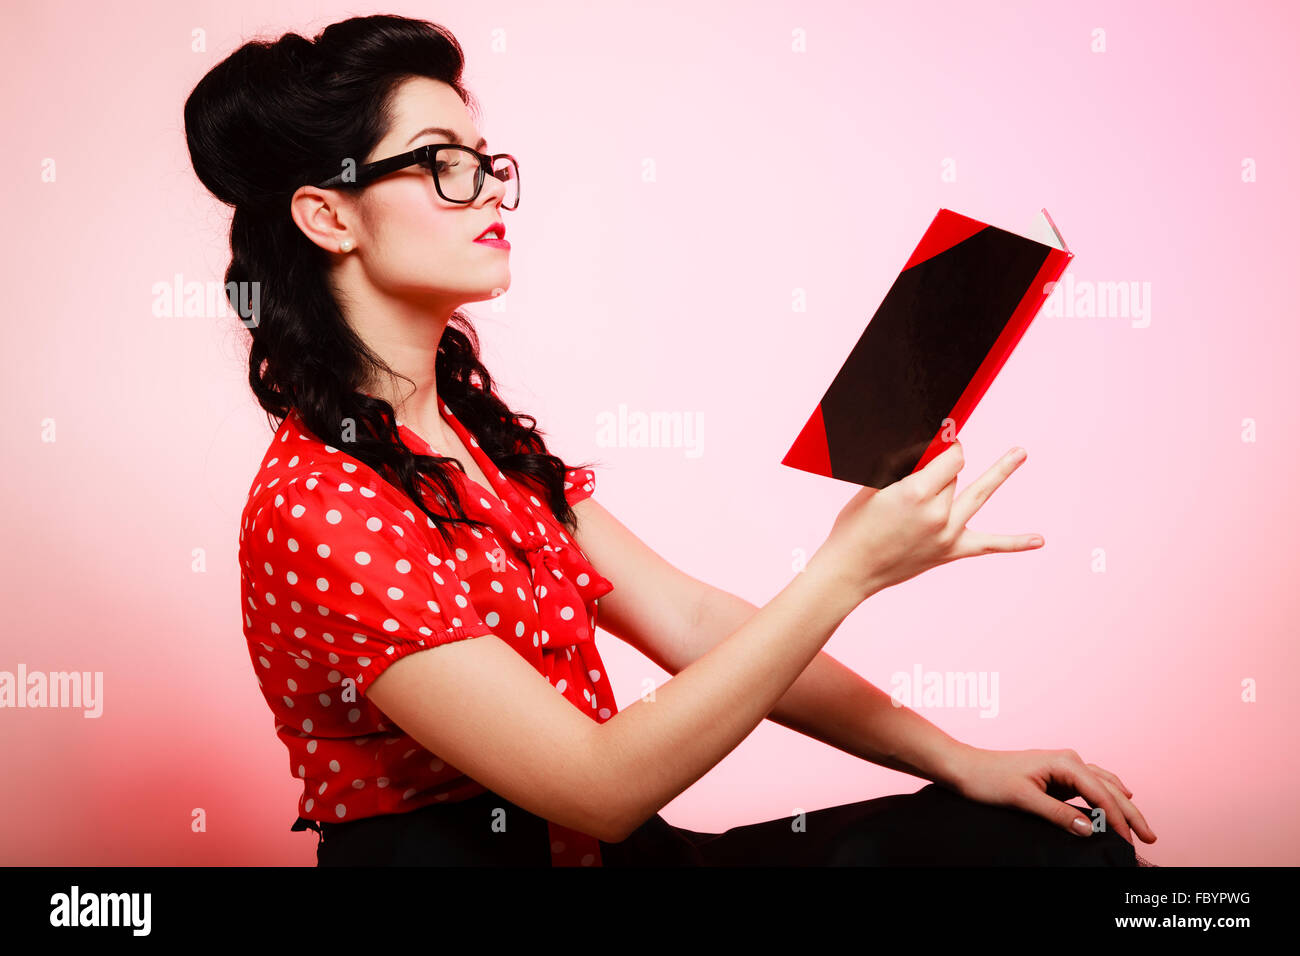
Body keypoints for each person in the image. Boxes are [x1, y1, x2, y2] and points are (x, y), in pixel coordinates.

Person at [184, 13, 1158, 867]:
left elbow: (692, 621)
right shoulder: (315, 507)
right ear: (327, 214)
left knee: (1050, 839)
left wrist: (957, 756)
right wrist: (846, 570)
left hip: (621, 857)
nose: (487, 189)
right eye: (444, 161)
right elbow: (598, 784)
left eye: (486, 160)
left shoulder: (481, 444)